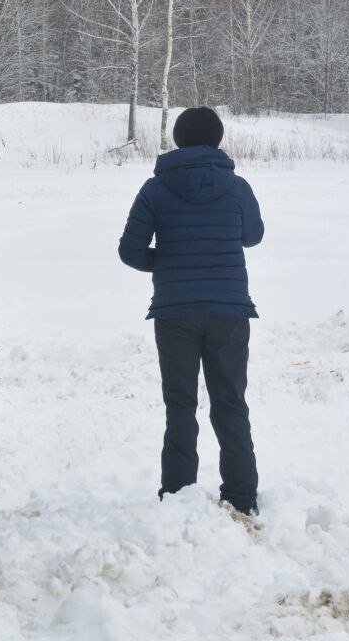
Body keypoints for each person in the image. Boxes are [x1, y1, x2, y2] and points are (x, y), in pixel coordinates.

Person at [118, 107, 264, 516]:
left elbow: (129, 251)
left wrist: (168, 264)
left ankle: (178, 495)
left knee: (180, 404)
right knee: (231, 403)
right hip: (229, 309)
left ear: (178, 139)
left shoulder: (155, 189)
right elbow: (253, 236)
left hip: (175, 311)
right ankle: (241, 497)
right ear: (217, 139)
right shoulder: (237, 187)